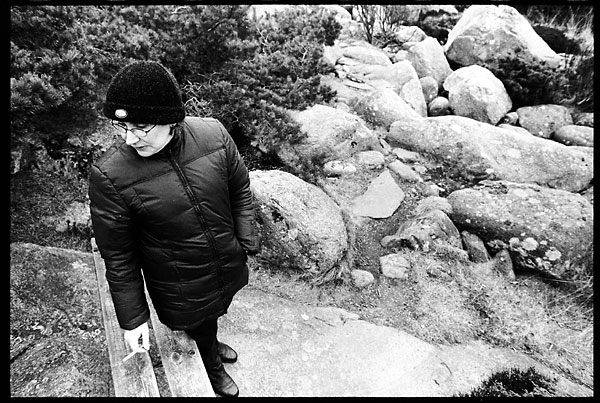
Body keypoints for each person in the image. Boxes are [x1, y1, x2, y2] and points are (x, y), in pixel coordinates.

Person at [88, 60, 258, 397]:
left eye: (140, 127)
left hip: (224, 261)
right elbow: (119, 257)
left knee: (213, 314)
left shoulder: (213, 135)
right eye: (121, 127)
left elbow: (239, 187)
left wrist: (246, 240)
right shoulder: (110, 175)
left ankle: (210, 342)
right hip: (178, 283)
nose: (130, 139)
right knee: (199, 320)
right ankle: (212, 366)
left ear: (170, 119)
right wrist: (133, 319)